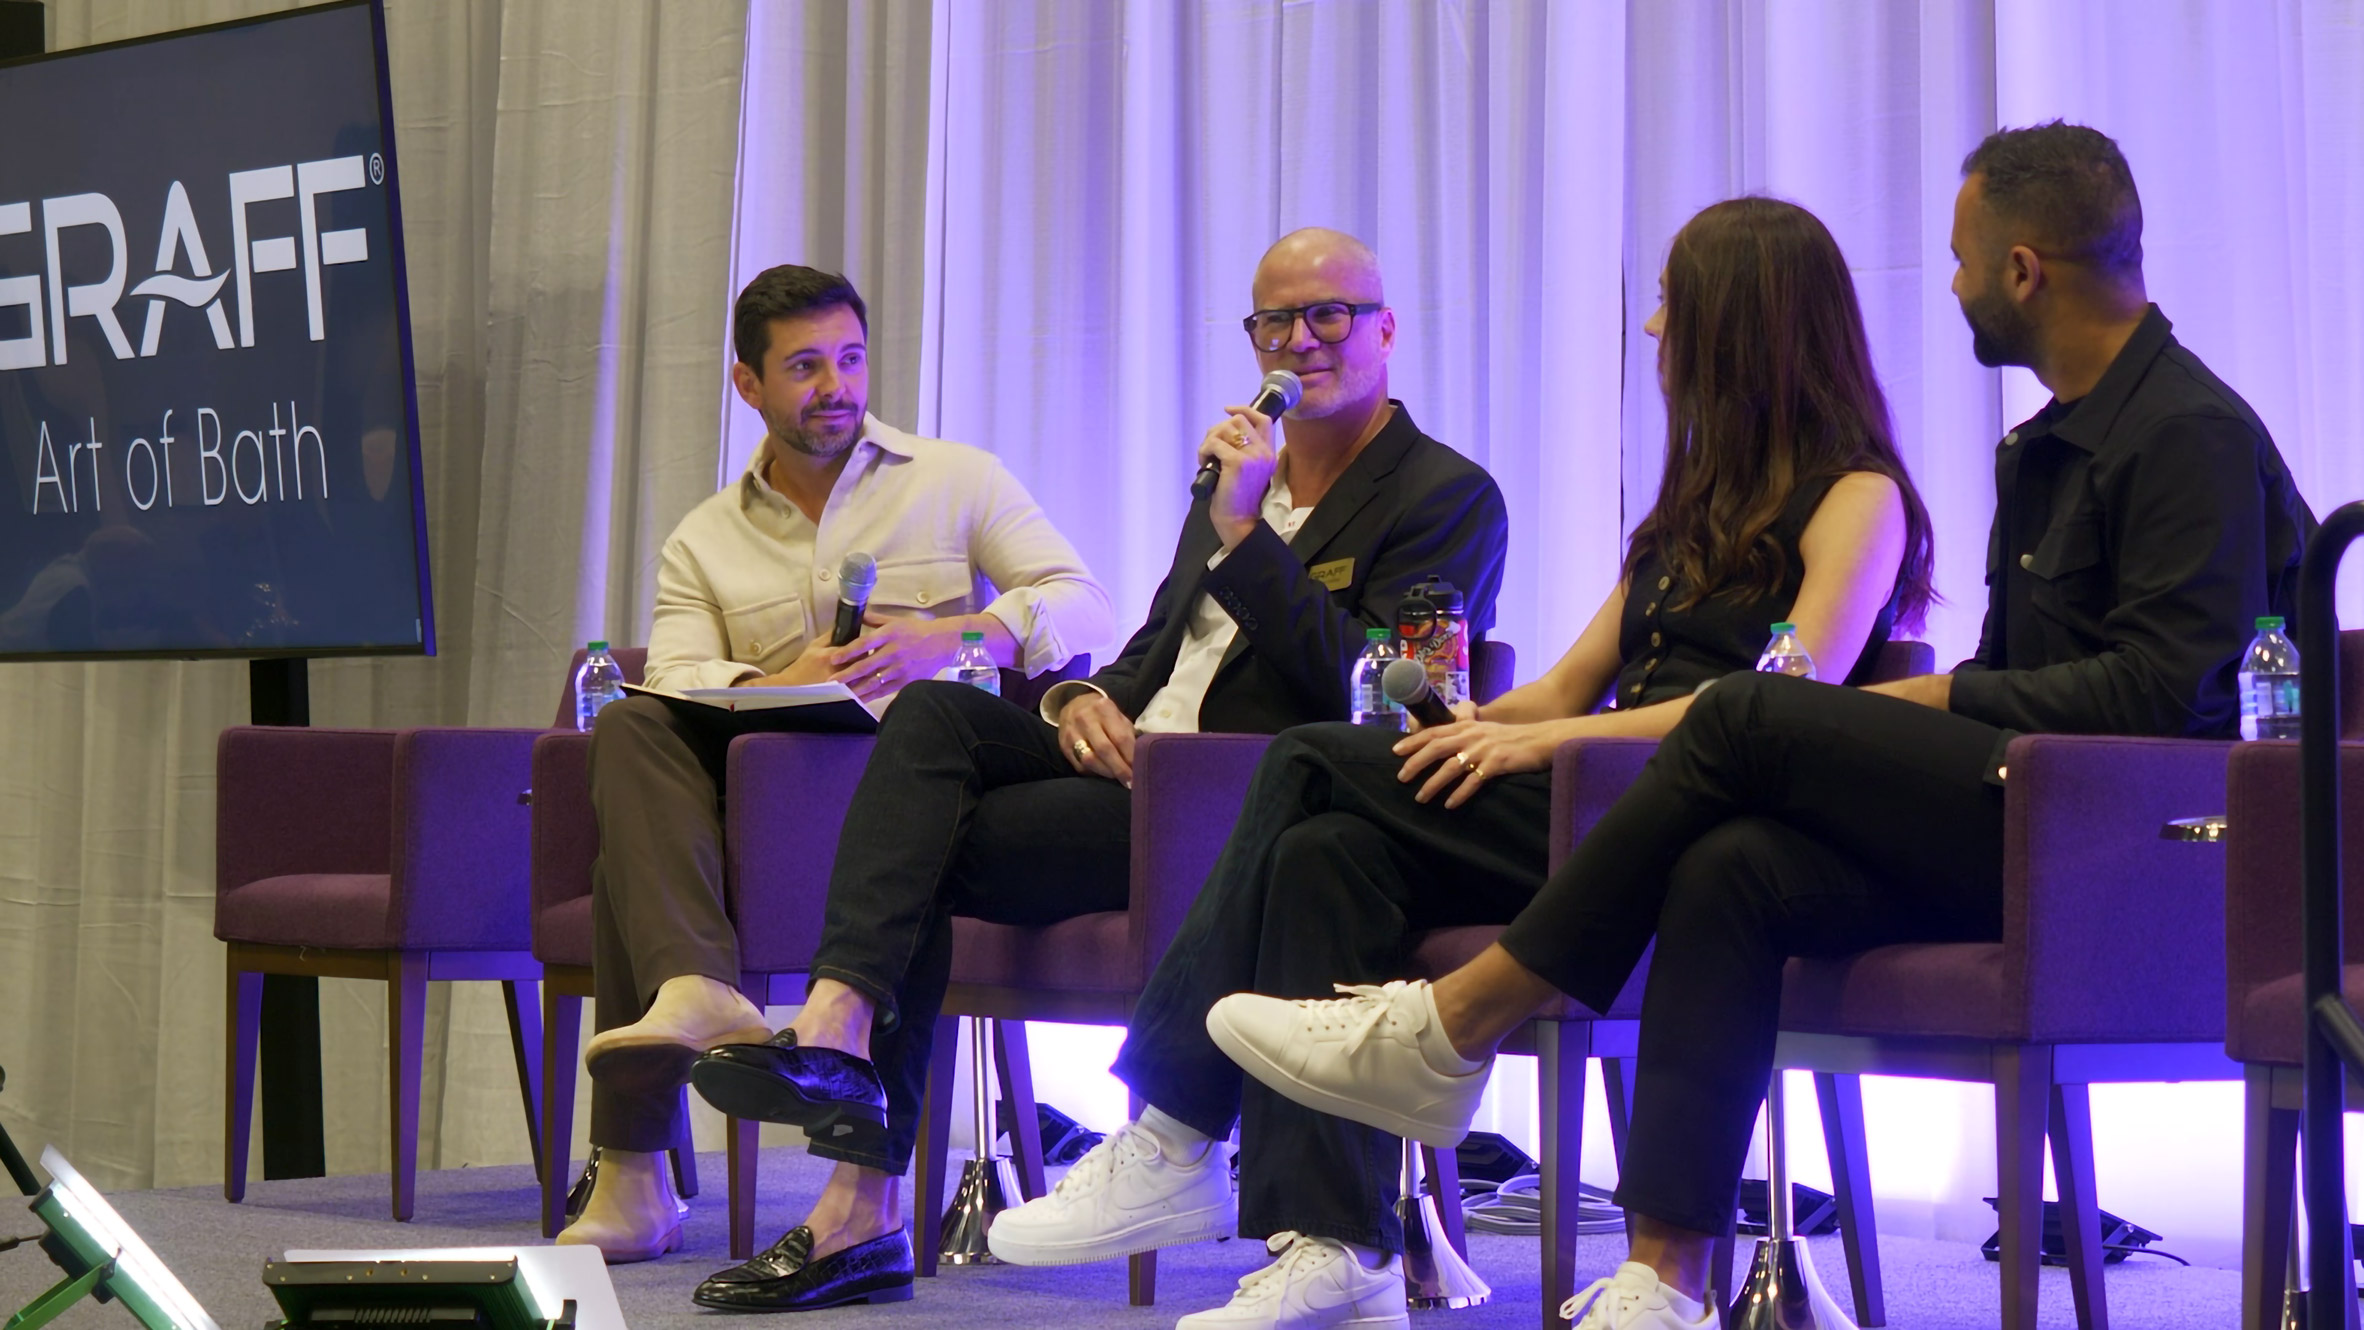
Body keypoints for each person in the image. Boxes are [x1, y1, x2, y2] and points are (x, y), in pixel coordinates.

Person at [1208, 123, 2317, 1330]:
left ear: (2023, 270)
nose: (1946, 284)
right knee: (1729, 868)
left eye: (1958, 259)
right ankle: (1664, 1277)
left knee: (1748, 712)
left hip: (2132, 850)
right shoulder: (2039, 448)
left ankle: (1448, 1025)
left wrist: (1942, 696)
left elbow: (2168, 700)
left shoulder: (2187, 433)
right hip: (2015, 804)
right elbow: (2020, 674)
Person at [985, 197, 1937, 1330]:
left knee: (1306, 760)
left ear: (1743, 323)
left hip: (1695, 821)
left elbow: (1779, 704)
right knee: (1327, 850)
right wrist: (1475, 723)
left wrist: (1540, 740)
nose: (1653, 331)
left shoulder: (1857, 498)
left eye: (1673, 304)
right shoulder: (1688, 518)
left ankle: (1173, 1126)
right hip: (1595, 806)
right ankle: (1340, 1246)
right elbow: (1564, 687)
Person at [679, 227, 1511, 1314]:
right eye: (1274, 321)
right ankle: (837, 1027)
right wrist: (1081, 700)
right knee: (935, 715)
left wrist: (1246, 532)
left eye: (1329, 316)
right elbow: (1154, 650)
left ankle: (858, 1203)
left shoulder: (1443, 493)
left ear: (1386, 330)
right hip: (1125, 779)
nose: (1299, 341)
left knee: (912, 855)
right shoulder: (1230, 480)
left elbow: (1384, 687)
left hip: (1241, 807)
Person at [557, 264, 1115, 1262]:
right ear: (747, 385)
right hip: (772, 804)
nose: (836, 386)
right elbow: (678, 672)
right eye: (805, 366)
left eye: (850, 359)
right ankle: (694, 989)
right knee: (635, 728)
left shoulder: (955, 478)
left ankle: (634, 1166)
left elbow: (1081, 602)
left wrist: (953, 633)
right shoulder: (703, 538)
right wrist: (786, 674)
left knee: (622, 869)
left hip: (923, 798)